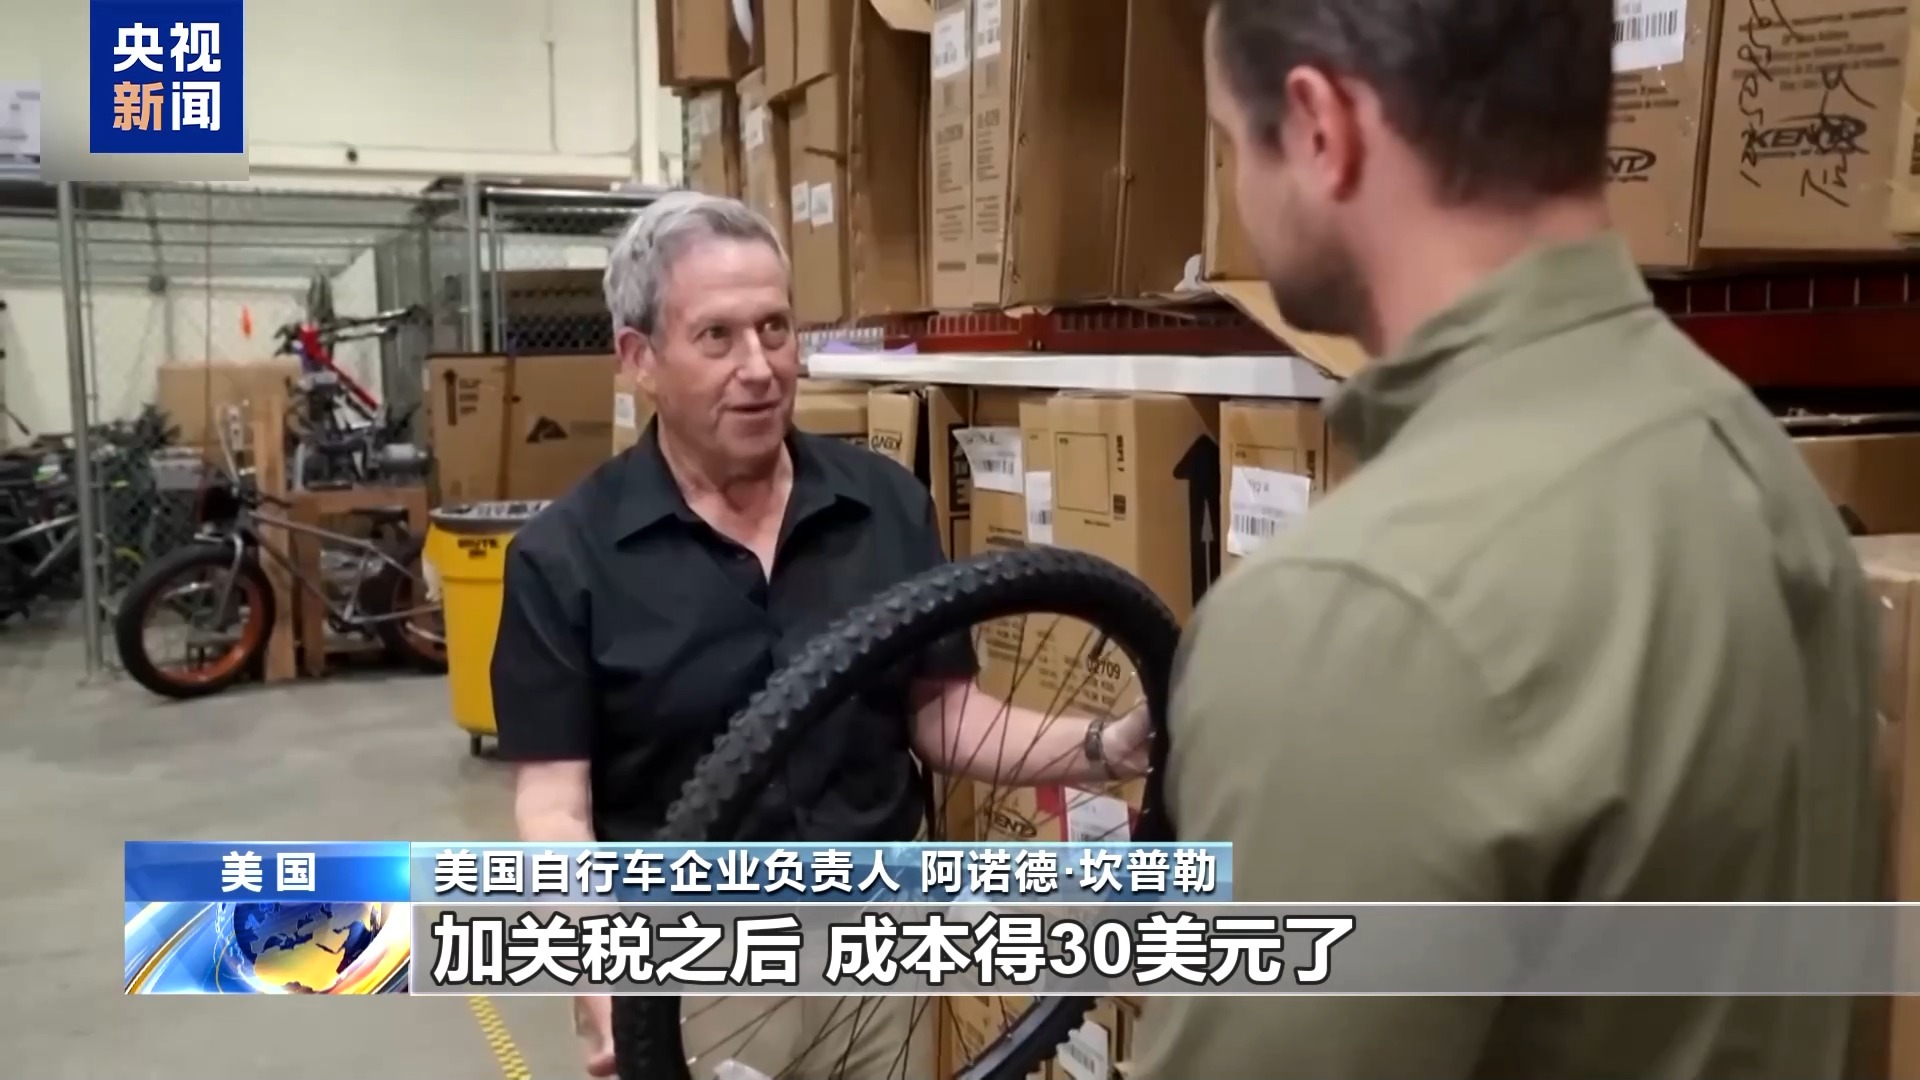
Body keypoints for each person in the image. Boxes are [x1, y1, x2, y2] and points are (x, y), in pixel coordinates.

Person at [1133, 1, 1881, 1077]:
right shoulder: (1759, 473)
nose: (1240, 194)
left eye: (1230, 142)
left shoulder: (1361, 604)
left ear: (1320, 129)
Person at [488, 191, 1148, 1080]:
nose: (759, 367)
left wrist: (1108, 747)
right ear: (640, 359)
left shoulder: (884, 504)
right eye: (716, 337)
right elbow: (553, 808)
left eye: (775, 328)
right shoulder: (564, 557)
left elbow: (944, 718)